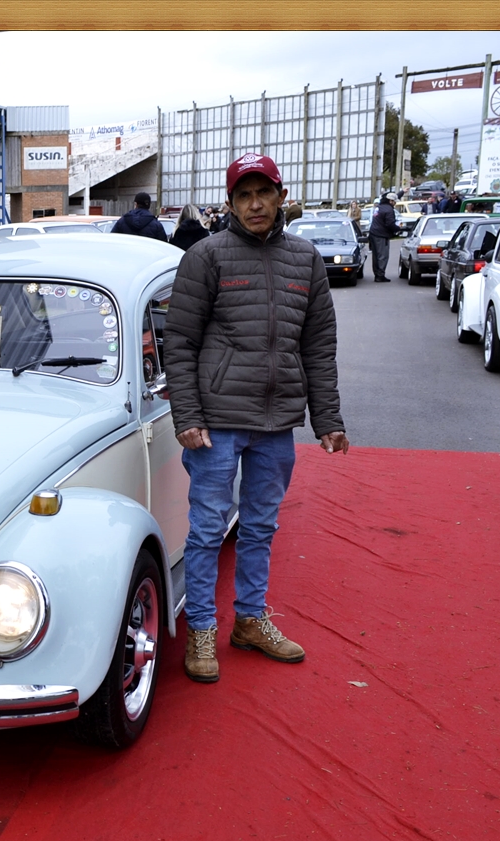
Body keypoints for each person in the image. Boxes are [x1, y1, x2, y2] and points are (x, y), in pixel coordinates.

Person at [162, 152, 349, 684]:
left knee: (261, 526)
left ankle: (249, 620)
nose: (255, 204)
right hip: (216, 421)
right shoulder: (205, 257)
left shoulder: (305, 260)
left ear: (281, 196)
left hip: (276, 423)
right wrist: (187, 415)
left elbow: (318, 345)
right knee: (207, 530)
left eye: (263, 192)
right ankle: (202, 629)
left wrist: (328, 418)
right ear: (230, 204)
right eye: (243, 195)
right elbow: (180, 342)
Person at [368, 192, 398, 282]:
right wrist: (398, 229)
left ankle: (377, 273)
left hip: (373, 233)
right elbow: (390, 223)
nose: (395, 203)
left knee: (375, 256)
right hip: (381, 235)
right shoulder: (389, 210)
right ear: (391, 201)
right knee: (383, 255)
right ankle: (380, 275)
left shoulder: (379, 207)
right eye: (394, 201)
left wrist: (402, 192)